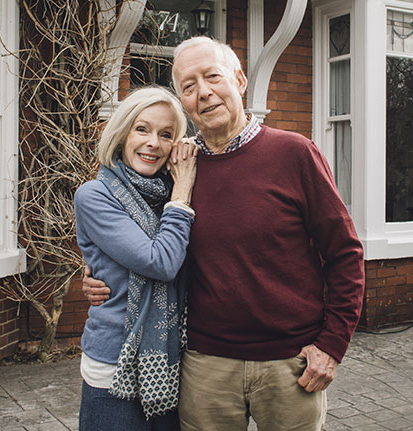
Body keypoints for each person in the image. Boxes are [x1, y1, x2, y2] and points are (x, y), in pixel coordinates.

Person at [84, 36, 365, 431]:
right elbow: (141, 238)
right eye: (189, 85)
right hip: (203, 365)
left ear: (239, 80)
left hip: (290, 364)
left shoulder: (296, 154)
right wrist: (96, 275)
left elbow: (345, 253)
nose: (204, 92)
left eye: (212, 77)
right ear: (182, 100)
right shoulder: (175, 168)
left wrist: (332, 345)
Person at [74, 86, 198, 430]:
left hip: (172, 364)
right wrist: (182, 196)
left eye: (166, 134)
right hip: (114, 365)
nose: (153, 143)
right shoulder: (95, 195)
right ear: (121, 132)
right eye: (141, 129)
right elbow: (160, 262)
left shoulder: (168, 194)